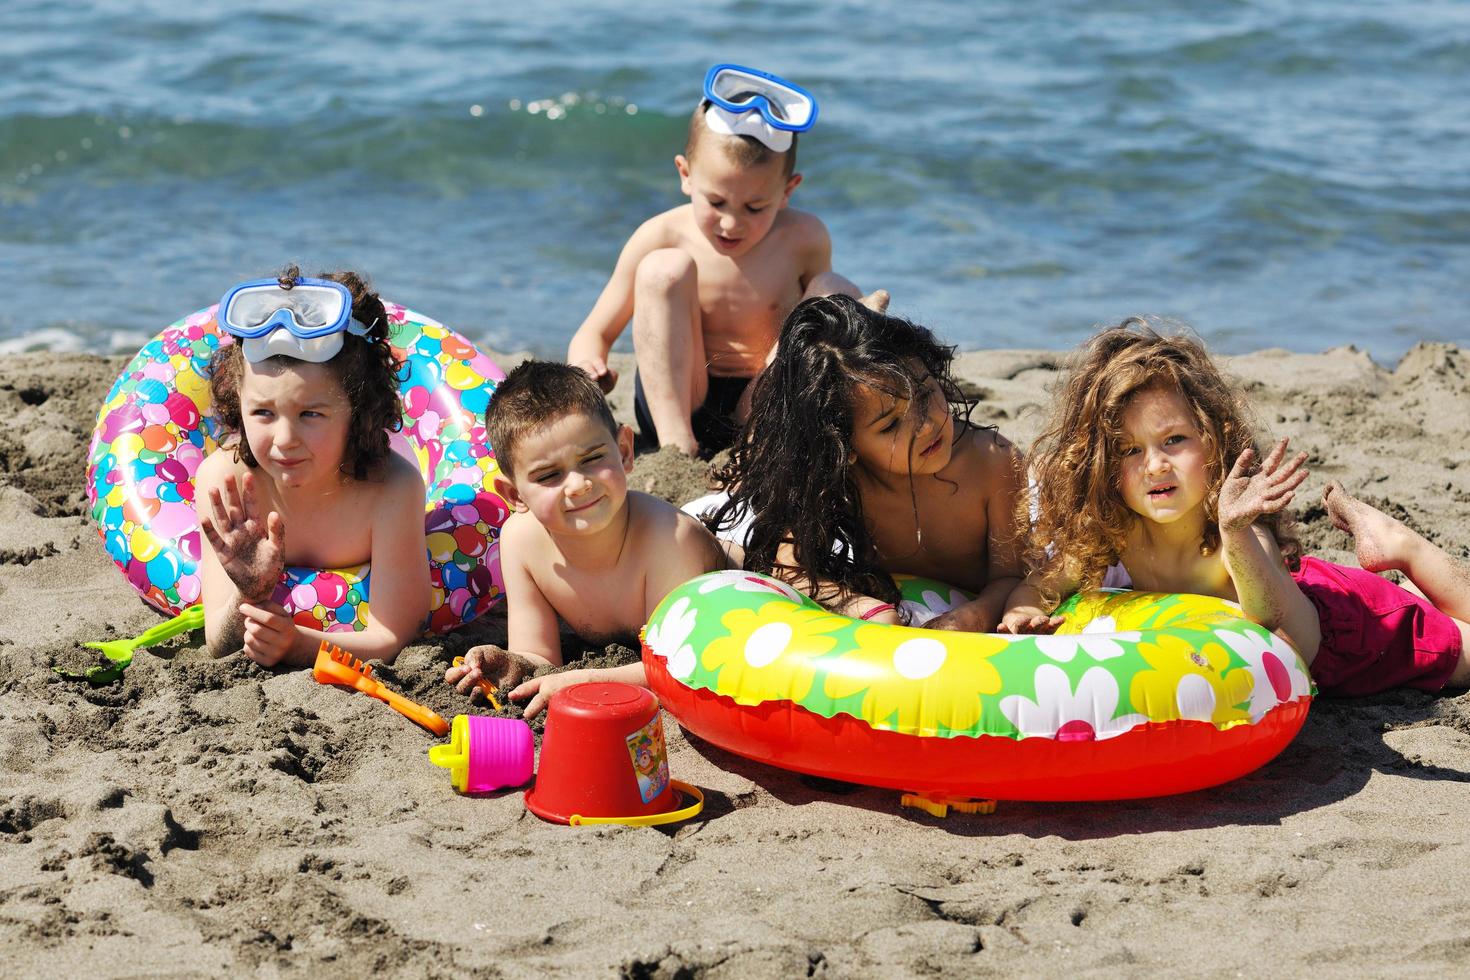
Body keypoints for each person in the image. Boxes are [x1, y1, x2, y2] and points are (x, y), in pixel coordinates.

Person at [1002, 317, 1470, 697]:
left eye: (1174, 440)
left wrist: (1234, 528)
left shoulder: (1236, 533)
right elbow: (1039, 585)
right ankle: (1403, 567)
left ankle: (1402, 545)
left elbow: (1273, 621)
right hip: (1308, 590)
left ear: (1213, 441)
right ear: (1102, 467)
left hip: (1351, 634)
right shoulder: (1113, 532)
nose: (1155, 465)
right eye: (1130, 451)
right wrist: (1021, 614)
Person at [566, 64, 886, 457]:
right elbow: (593, 334)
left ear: (788, 190)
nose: (732, 223)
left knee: (835, 288)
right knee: (663, 268)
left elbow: (818, 335)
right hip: (680, 400)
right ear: (685, 175)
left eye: (755, 207)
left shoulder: (804, 238)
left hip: (765, 402)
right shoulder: (661, 234)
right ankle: (675, 449)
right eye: (716, 202)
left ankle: (759, 443)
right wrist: (588, 366)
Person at [707, 294, 1026, 630]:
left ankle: (863, 312)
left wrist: (975, 616)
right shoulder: (842, 478)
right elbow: (789, 566)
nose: (927, 424)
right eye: (891, 424)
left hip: (974, 590)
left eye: (926, 394)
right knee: (763, 463)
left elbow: (1010, 576)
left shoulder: (992, 462)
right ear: (847, 447)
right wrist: (861, 606)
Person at [445, 360, 728, 717]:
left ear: (625, 451)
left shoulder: (669, 541)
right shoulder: (522, 541)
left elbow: (682, 667)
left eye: (593, 458)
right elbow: (540, 656)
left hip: (728, 550)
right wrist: (509, 663)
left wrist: (584, 680)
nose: (578, 485)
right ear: (515, 495)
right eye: (549, 475)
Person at [197, 267, 430, 667]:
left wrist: (301, 646)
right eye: (263, 412)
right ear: (238, 402)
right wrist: (249, 592)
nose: (286, 438)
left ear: (356, 412)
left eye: (311, 413)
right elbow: (218, 644)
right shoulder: (226, 482)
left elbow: (393, 636)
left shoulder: (392, 490)